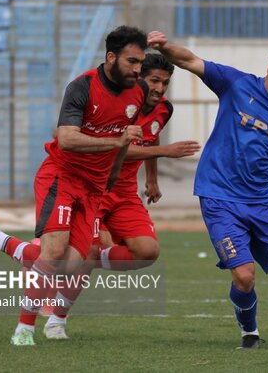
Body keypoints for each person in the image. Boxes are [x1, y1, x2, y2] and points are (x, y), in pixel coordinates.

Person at [0, 25, 149, 346]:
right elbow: (68, 139)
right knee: (54, 251)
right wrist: (117, 142)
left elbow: (123, 139)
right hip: (62, 175)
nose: (137, 69)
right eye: (131, 61)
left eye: (140, 62)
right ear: (111, 57)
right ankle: (24, 329)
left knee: (69, 265)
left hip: (95, 186)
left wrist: (113, 173)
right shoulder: (82, 87)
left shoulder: (137, 92)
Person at [148, 31, 268, 349]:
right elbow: (189, 61)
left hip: (261, 200)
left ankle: (263, 240)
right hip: (218, 196)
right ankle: (249, 334)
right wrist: (164, 47)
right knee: (244, 276)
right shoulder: (236, 84)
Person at [41, 53, 200, 339]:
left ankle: (88, 258)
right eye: (154, 81)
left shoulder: (164, 109)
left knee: (147, 251)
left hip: (125, 192)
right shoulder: (123, 104)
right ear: (139, 79)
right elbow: (118, 147)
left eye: (165, 83)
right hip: (96, 188)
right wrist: (164, 152)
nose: (160, 89)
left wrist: (151, 178)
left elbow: (152, 135)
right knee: (77, 255)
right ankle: (56, 320)